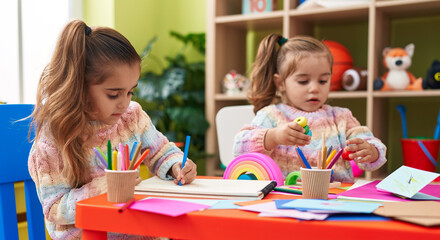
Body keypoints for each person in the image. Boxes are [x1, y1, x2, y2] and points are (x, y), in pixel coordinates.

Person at [28, 19, 197, 240]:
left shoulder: (131, 117)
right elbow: (53, 210)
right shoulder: (54, 140)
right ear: (78, 87)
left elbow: (160, 151)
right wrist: (104, 186)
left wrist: (176, 165)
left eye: (130, 92)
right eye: (113, 94)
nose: (124, 103)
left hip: (135, 228)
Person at [233, 34, 386, 183]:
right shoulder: (271, 115)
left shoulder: (341, 117)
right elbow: (239, 149)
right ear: (280, 83)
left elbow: (370, 149)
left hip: (333, 199)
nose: (314, 88)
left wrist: (371, 152)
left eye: (323, 80)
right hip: (283, 199)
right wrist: (274, 136)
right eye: (303, 81)